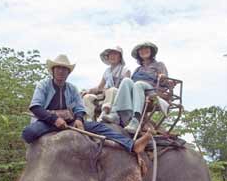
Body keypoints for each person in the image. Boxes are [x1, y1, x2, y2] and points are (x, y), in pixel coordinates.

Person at [22, 54, 152, 154]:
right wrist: (54, 119)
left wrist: (78, 119)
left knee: (101, 127)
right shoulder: (43, 85)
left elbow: (79, 107)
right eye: (58, 68)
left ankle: (132, 145)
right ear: (53, 70)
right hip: (47, 122)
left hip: (69, 123)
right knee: (28, 133)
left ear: (68, 73)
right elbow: (35, 107)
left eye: (64, 69)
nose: (61, 71)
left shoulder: (72, 88)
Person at [102, 42, 168, 134]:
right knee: (126, 81)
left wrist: (163, 77)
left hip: (152, 90)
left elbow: (165, 82)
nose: (143, 51)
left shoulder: (159, 65)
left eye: (146, 49)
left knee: (138, 84)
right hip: (137, 90)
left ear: (151, 51)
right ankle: (115, 113)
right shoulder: (138, 69)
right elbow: (130, 83)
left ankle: (135, 120)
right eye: (141, 50)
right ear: (138, 54)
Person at [82, 46, 130, 121]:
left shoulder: (125, 70)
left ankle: (104, 113)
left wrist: (108, 90)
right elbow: (100, 87)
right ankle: (89, 119)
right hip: (105, 95)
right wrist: (88, 91)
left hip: (117, 95)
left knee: (112, 90)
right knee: (87, 97)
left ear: (120, 57)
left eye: (115, 54)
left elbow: (126, 88)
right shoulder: (107, 71)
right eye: (110, 54)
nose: (112, 56)